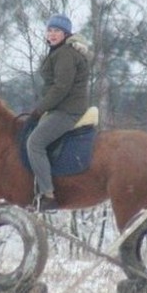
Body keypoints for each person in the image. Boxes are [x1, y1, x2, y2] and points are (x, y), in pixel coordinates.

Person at [27, 14, 91, 211]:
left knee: (34, 143)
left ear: (66, 34)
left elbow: (61, 87)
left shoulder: (64, 54)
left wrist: (39, 109)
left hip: (67, 110)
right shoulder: (58, 52)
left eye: (57, 31)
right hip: (60, 107)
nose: (52, 34)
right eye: (50, 30)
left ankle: (48, 195)